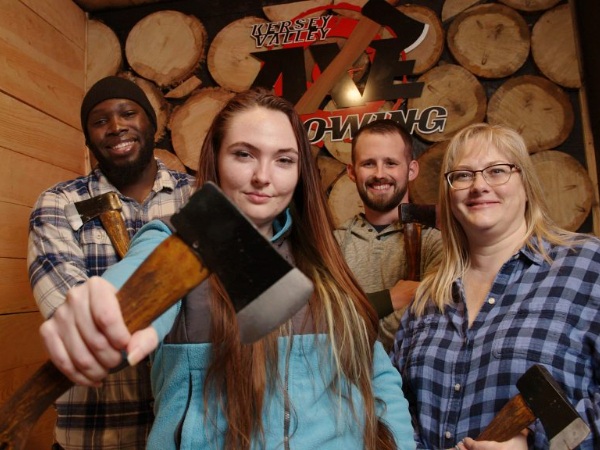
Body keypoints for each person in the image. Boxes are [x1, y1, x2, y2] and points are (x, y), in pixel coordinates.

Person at [39, 88, 416, 450]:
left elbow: (375, 374)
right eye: (244, 155)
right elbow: (133, 284)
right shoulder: (177, 241)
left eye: (284, 159)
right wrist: (104, 315)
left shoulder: (322, 255)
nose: (263, 177)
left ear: (301, 172)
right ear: (216, 158)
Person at [391, 122, 600, 449]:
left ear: (526, 184)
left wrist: (533, 443)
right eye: (462, 175)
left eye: (497, 171)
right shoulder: (426, 302)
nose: (479, 186)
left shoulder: (588, 267)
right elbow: (398, 416)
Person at [27, 76, 195, 450]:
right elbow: (73, 314)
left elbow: (215, 311)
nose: (116, 126)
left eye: (128, 113)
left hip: (187, 430)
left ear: (152, 124)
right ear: (88, 138)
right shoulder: (58, 204)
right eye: (100, 120)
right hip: (96, 433)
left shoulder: (196, 196)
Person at [334, 119, 442, 350]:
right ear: (352, 172)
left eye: (391, 163)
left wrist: (357, 317)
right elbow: (324, 324)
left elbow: (429, 328)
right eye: (368, 164)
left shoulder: (435, 243)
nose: (380, 174)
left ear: (411, 170)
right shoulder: (333, 244)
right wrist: (392, 298)